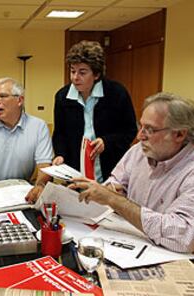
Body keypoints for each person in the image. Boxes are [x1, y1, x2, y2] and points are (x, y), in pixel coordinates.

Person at [70, 92, 194, 253]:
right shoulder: (138, 152)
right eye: (140, 126)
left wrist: (115, 200)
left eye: (149, 129)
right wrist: (110, 189)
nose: (139, 136)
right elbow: (115, 182)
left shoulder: (189, 170)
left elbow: (184, 237)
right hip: (131, 243)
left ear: (179, 134)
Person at [53, 40, 137, 182]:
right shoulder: (62, 96)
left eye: (82, 72)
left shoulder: (117, 93)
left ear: (97, 74)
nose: (75, 77)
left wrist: (107, 142)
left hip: (109, 166)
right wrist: (61, 154)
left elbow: (129, 130)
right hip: (76, 169)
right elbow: (60, 133)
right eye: (72, 71)